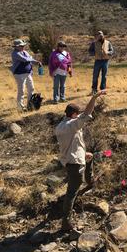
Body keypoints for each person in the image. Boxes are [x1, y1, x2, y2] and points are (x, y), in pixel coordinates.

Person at [55, 90, 107, 231]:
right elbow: (87, 113)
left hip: (70, 159)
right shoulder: (72, 125)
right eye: (77, 114)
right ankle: (66, 222)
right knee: (72, 191)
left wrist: (83, 153)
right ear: (73, 115)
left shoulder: (60, 126)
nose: (78, 116)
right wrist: (94, 98)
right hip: (75, 163)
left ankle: (90, 183)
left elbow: (71, 143)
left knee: (88, 161)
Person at [10, 39, 42, 111]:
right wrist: (30, 58)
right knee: (21, 90)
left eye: (23, 45)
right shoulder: (15, 53)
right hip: (19, 74)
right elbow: (24, 59)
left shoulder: (25, 52)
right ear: (16, 47)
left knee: (31, 88)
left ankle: (30, 105)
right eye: (21, 46)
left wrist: (36, 62)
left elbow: (30, 59)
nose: (23, 47)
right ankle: (20, 108)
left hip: (28, 73)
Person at [88, 31, 114, 95]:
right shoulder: (94, 43)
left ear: (103, 35)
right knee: (95, 76)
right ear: (97, 36)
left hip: (105, 61)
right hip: (97, 61)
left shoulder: (108, 42)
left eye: (101, 35)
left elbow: (112, 50)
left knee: (104, 76)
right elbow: (90, 51)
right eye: (99, 35)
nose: (100, 36)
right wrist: (94, 54)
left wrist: (108, 53)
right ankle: (94, 90)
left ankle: (103, 90)